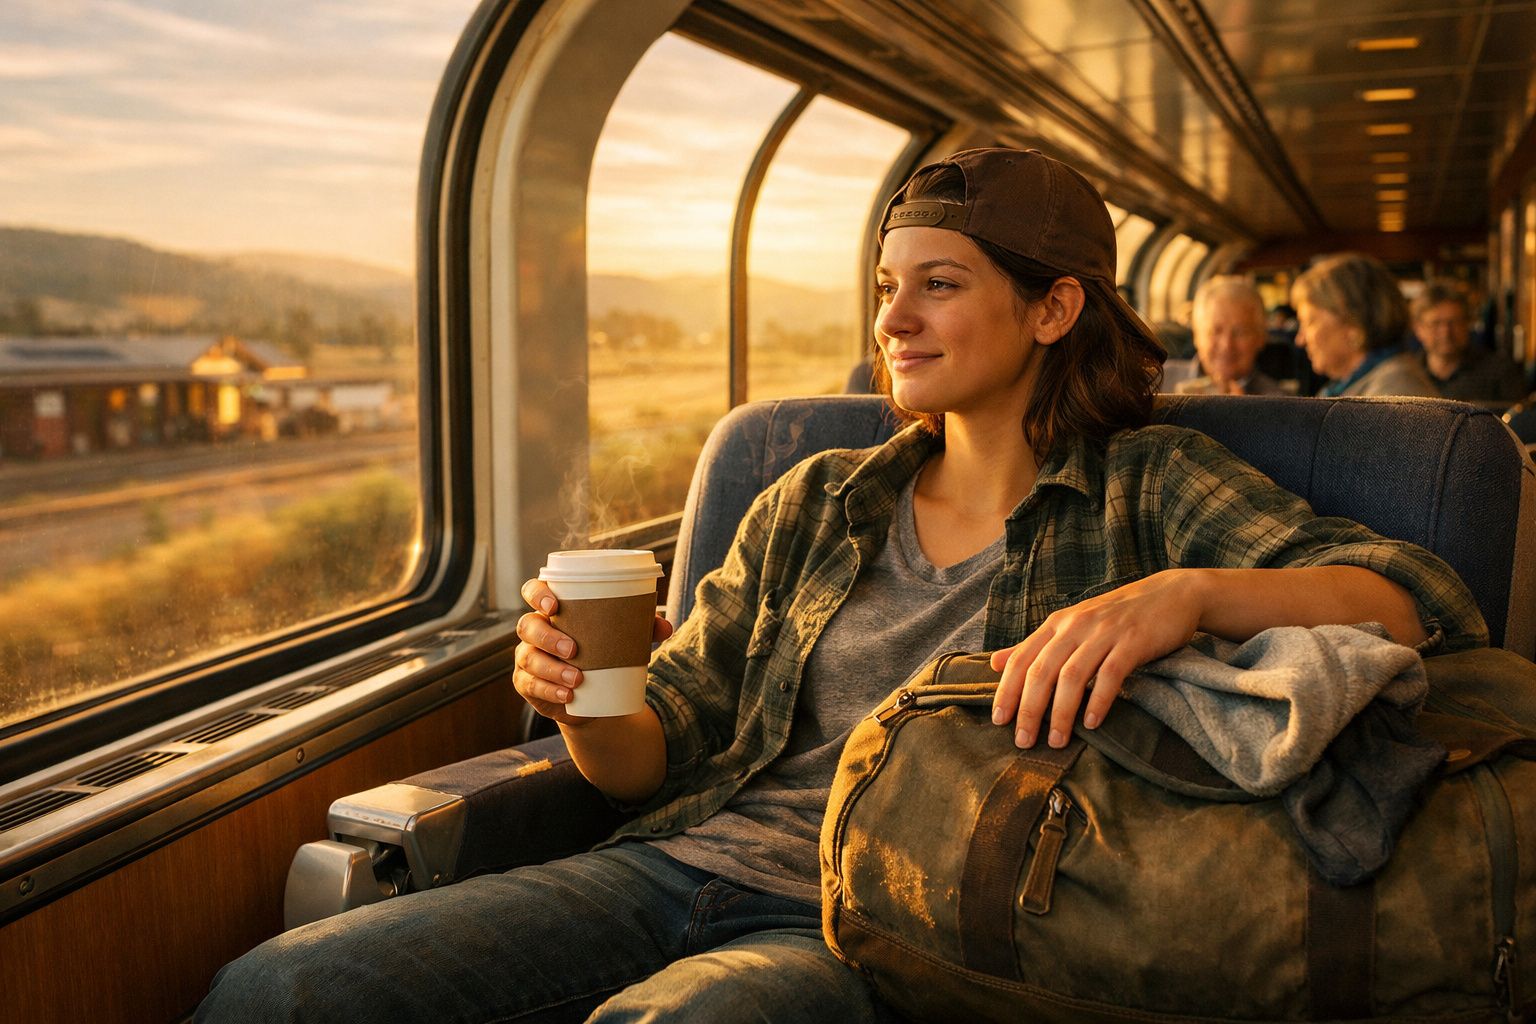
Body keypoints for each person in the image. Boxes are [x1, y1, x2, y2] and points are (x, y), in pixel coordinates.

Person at [196, 149, 1487, 1023]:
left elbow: (1416, 593)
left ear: (1051, 312)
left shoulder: (1145, 487)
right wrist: (585, 697)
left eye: (940, 285)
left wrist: (1185, 598)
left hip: (879, 913)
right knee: (281, 993)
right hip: (671, 860)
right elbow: (655, 754)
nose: (897, 319)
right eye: (886, 289)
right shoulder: (815, 497)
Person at [1291, 253, 1440, 398]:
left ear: (1354, 324)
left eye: (1309, 322)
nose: (1300, 339)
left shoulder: (1392, 398)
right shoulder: (1355, 386)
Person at [1410, 280, 1526, 404]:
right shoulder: (1408, 374)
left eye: (1454, 322)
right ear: (1418, 329)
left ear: (1468, 323)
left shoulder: (1500, 372)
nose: (1446, 333)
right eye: (1436, 324)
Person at [1175, 276, 1288, 395]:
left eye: (1240, 332)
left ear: (1261, 337)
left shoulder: (1281, 405)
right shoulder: (1158, 382)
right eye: (1216, 331)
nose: (1227, 345)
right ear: (1196, 334)